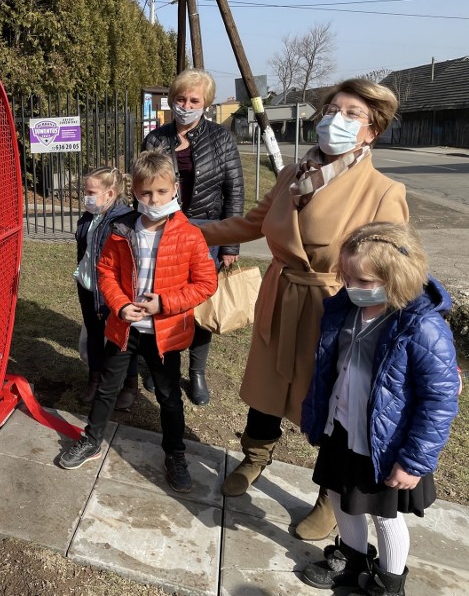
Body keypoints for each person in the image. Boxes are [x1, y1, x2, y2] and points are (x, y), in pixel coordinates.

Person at [197, 78, 409, 541]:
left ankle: (328, 498)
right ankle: (253, 459)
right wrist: (193, 233)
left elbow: (396, 266)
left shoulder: (383, 190)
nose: (337, 119)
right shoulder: (294, 173)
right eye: (333, 109)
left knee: (332, 404)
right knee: (267, 389)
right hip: (281, 297)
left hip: (335, 310)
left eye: (353, 114)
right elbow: (253, 223)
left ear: (372, 131)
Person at [299, 222, 460, 595]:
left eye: (364, 281)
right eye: (347, 276)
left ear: (397, 278)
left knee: (384, 516)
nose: (351, 286)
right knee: (339, 495)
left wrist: (414, 462)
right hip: (343, 426)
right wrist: (316, 414)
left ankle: (390, 581)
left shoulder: (421, 326)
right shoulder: (344, 309)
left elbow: (439, 401)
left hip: (384, 444)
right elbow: (327, 367)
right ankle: (351, 557)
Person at [57, 151, 217, 492]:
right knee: (108, 387)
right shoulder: (122, 228)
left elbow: (206, 283)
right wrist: (119, 305)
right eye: (146, 193)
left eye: (161, 192)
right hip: (124, 329)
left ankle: (175, 453)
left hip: (165, 333)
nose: (154, 199)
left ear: (175, 188)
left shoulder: (188, 235)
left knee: (169, 396)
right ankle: (91, 439)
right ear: (135, 193)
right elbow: (106, 272)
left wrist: (165, 303)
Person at [142, 69, 244, 406]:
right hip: (164, 228)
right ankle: (157, 362)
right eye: (181, 99)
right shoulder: (156, 139)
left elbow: (234, 192)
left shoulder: (221, 139)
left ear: (206, 104)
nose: (186, 105)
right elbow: (143, 186)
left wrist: (230, 244)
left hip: (206, 232)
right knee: (161, 298)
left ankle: (196, 371)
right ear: (172, 100)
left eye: (194, 100)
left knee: (198, 304)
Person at [74, 167, 142, 409]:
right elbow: (85, 248)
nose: (86, 196)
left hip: (113, 291)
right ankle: (94, 378)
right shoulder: (88, 216)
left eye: (91, 192)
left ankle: (129, 385)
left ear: (110, 193)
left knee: (122, 337)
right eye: (85, 191)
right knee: (94, 332)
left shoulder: (125, 220)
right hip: (88, 286)